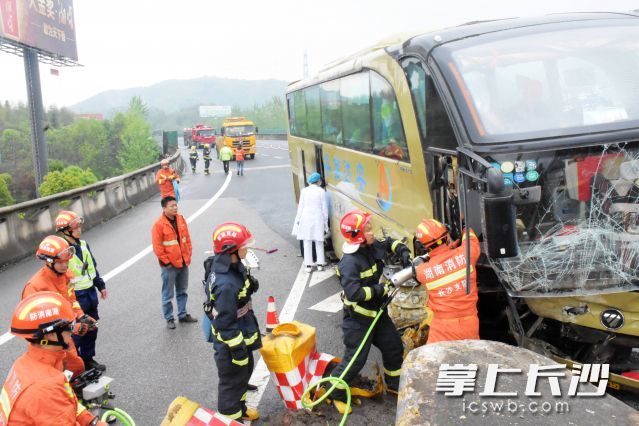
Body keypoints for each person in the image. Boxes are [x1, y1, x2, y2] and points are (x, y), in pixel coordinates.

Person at [329, 210, 411, 411]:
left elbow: (388, 243)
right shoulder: (349, 263)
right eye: (368, 229)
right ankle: (334, 393)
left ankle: (394, 386)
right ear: (358, 236)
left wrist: (402, 251)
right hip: (359, 319)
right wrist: (380, 289)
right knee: (355, 360)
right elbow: (354, 293)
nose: (372, 233)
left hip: (378, 314)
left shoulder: (370, 246)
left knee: (393, 347)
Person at [0, 292, 107, 425]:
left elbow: (69, 402)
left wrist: (92, 422)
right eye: (70, 325)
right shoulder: (46, 387)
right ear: (51, 335)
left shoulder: (24, 363)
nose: (74, 329)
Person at [205, 222, 261, 422]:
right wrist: (238, 352)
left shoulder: (230, 265)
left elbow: (240, 293)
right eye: (244, 245)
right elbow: (226, 325)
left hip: (241, 332)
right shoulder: (225, 284)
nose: (248, 247)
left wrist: (249, 284)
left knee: (242, 377)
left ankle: (241, 407)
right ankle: (232, 418)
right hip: (231, 345)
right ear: (232, 250)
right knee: (231, 382)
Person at [22, 235, 95, 378]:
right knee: (61, 373)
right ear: (48, 262)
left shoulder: (67, 275)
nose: (65, 265)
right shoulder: (35, 287)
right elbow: (36, 329)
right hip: (47, 344)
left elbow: (71, 300)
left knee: (76, 368)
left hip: (64, 336)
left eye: (67, 261)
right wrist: (73, 328)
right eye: (60, 262)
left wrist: (81, 316)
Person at [413, 219, 481, 343]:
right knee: (469, 357)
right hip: (469, 326)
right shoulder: (467, 254)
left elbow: (432, 265)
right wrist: (465, 225)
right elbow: (471, 240)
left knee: (436, 361)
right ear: (447, 237)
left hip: (441, 330)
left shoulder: (422, 272)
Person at [55, 210, 107, 372]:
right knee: (76, 333)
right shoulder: (62, 252)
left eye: (79, 226)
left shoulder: (83, 245)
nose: (79, 230)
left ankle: (87, 359)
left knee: (92, 328)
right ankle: (74, 366)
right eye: (75, 227)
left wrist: (100, 285)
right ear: (65, 231)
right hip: (75, 298)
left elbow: (92, 266)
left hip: (90, 294)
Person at [151, 196, 198, 329]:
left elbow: (187, 239)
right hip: (170, 266)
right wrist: (166, 262)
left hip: (183, 262)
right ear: (164, 208)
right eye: (171, 206)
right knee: (168, 294)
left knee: (182, 290)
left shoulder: (180, 219)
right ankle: (169, 318)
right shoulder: (158, 225)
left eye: (175, 205)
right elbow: (157, 247)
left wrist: (188, 254)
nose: (175, 208)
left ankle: (182, 315)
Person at [292, 172, 328, 273]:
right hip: (318, 218)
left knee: (307, 241)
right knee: (319, 241)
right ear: (318, 181)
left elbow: (301, 207)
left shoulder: (304, 191)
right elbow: (324, 209)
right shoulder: (321, 191)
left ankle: (308, 265)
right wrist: (326, 224)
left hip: (306, 218)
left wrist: (298, 220)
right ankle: (320, 264)